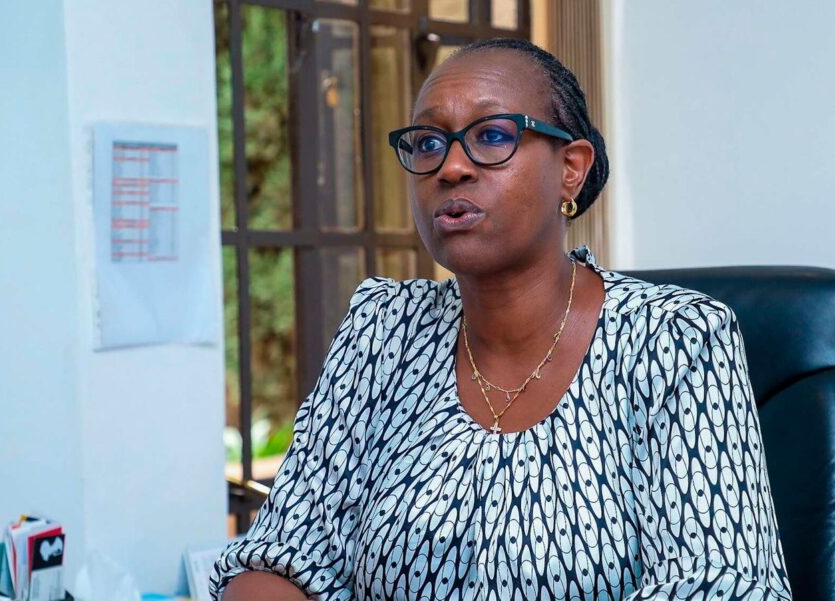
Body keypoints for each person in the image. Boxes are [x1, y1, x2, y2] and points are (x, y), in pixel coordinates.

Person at [210, 38, 792, 601]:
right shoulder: (383, 329)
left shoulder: (674, 339)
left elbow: (724, 585)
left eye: (491, 136)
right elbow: (279, 555)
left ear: (570, 168)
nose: (450, 168)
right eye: (428, 143)